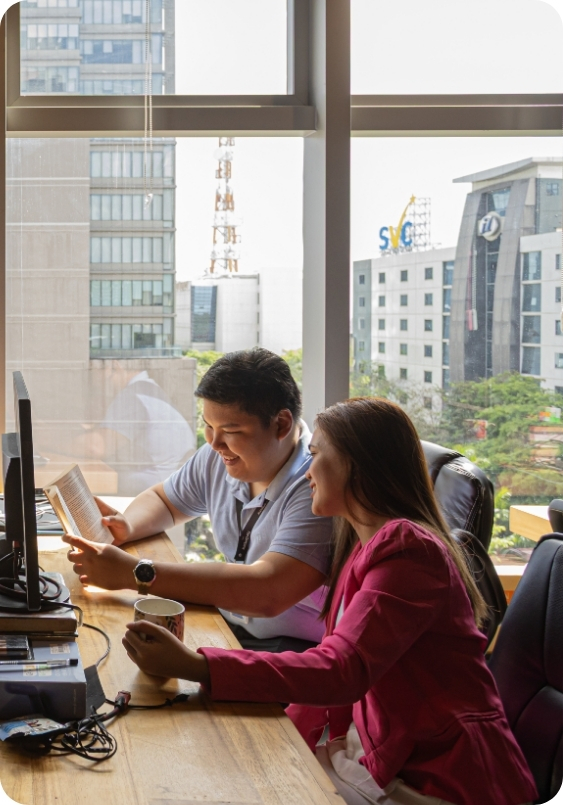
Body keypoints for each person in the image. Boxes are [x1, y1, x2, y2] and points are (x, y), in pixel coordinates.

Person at [119, 398, 537, 805]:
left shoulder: (409, 550)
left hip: (440, 776)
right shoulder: (362, 544)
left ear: (357, 467)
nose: (307, 473)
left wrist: (197, 666)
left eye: (316, 455)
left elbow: (341, 671)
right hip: (379, 752)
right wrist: (278, 751)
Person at [65, 349, 333, 652]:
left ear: (282, 425)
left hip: (300, 647)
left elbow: (267, 591)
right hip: (237, 623)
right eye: (208, 426)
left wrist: (135, 573)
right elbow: (165, 501)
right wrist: (127, 525)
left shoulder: (317, 484)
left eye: (231, 431)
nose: (214, 443)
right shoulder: (221, 456)